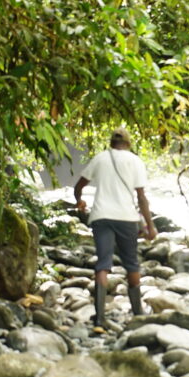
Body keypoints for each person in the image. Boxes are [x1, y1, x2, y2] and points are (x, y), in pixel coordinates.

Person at [73, 128, 157, 325]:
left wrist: (80, 201)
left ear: (111, 143)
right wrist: (150, 226)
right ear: (128, 144)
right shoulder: (135, 161)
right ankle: (137, 313)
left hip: (101, 216)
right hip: (126, 218)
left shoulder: (100, 158)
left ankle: (100, 318)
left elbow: (79, 186)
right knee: (131, 263)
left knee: (103, 264)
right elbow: (141, 197)